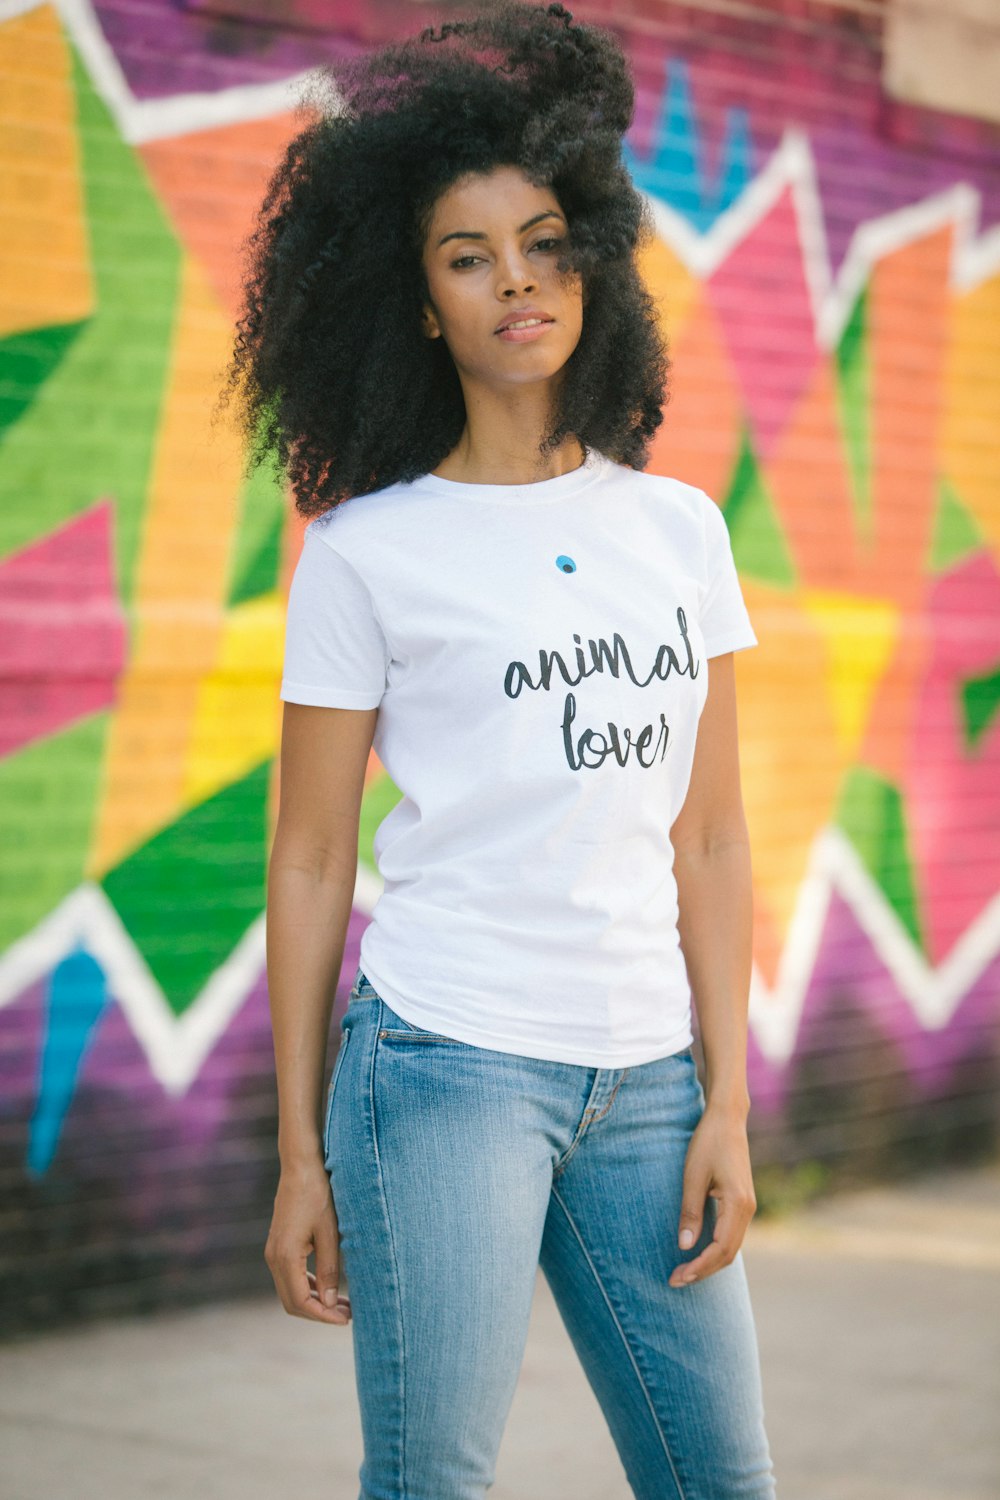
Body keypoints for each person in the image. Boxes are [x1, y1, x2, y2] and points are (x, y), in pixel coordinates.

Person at [218, 3, 777, 1495]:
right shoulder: (368, 555)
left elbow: (711, 836)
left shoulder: (679, 529)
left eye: (541, 242)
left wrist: (725, 1099)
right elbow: (312, 852)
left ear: (590, 257)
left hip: (651, 1079)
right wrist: (299, 1156)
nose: (515, 283)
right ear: (419, 304)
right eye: (468, 258)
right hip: (445, 1066)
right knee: (433, 1484)